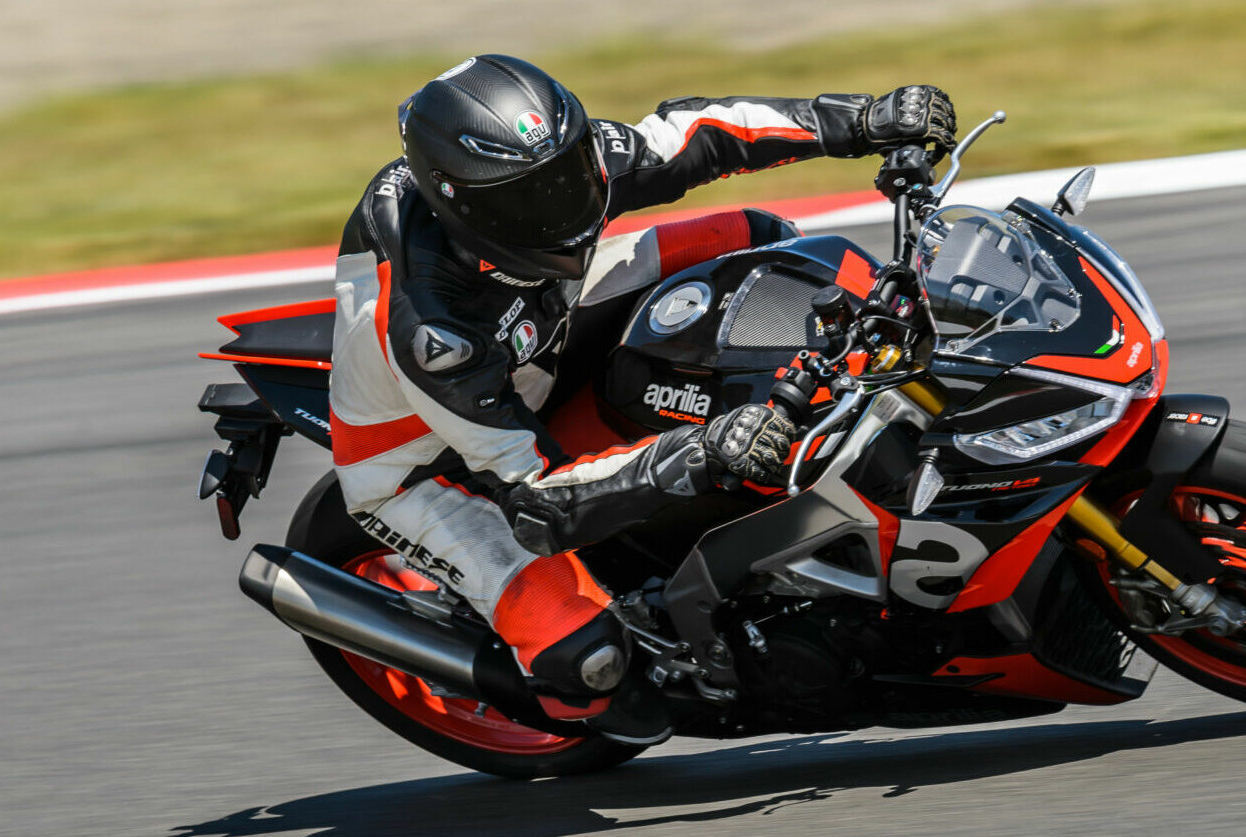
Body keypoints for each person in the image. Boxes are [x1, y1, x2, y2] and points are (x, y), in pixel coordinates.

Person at [328, 53, 955, 744]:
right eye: (537, 198)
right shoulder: (434, 331)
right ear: (463, 205)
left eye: (569, 174)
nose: (570, 207)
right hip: (433, 460)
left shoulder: (554, 177)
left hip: (543, 327)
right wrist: (704, 448)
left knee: (757, 239)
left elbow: (703, 133)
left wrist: (862, 120)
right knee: (592, 669)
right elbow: (540, 499)